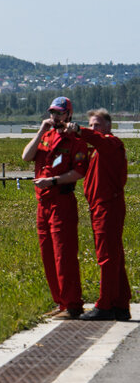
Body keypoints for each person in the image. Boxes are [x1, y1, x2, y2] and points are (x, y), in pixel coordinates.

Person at [22, 96, 89, 319]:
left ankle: (73, 304)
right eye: (52, 113)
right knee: (48, 255)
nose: (55, 117)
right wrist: (41, 131)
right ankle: (61, 302)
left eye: (59, 113)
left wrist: (52, 181)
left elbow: (79, 172)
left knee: (64, 255)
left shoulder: (76, 141)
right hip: (44, 204)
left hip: (62, 201)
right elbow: (26, 156)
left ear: (68, 114)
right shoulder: (46, 136)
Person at [67, 109, 132, 320]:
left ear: (107, 126)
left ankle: (104, 305)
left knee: (106, 256)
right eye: (91, 124)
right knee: (115, 256)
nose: (93, 128)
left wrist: (80, 130)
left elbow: (96, 139)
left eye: (97, 125)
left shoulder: (111, 144)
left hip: (108, 206)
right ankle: (121, 304)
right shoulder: (98, 149)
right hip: (100, 206)